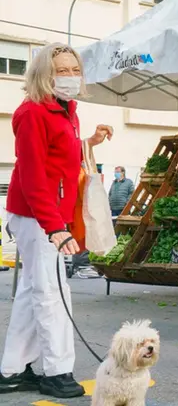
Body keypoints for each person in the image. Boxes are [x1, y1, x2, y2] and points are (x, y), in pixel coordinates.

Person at [0, 43, 113, 398]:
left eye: (73, 69)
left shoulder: (65, 110)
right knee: (52, 293)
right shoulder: (32, 112)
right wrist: (55, 228)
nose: (69, 76)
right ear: (43, 75)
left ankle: (12, 370)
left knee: (34, 292)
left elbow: (58, 156)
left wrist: (88, 143)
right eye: (60, 70)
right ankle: (56, 370)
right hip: (37, 216)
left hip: (46, 215)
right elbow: (33, 175)